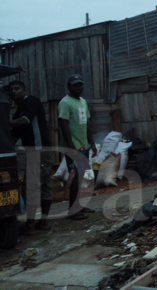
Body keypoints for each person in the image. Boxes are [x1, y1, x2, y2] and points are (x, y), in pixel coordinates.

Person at [8, 81, 53, 233]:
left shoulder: (31, 101)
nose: (14, 91)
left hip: (39, 150)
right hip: (34, 152)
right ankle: (39, 223)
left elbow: (25, 120)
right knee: (39, 186)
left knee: (34, 187)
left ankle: (33, 225)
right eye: (11, 90)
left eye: (17, 88)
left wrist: (4, 123)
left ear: (25, 90)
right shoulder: (18, 112)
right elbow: (13, 136)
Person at [58, 74, 97, 220]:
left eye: (80, 84)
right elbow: (63, 125)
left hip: (84, 146)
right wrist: (71, 148)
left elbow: (87, 123)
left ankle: (79, 205)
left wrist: (91, 143)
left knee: (81, 177)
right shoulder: (65, 103)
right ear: (69, 87)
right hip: (73, 147)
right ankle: (72, 210)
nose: (78, 87)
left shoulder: (82, 102)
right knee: (74, 178)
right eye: (75, 85)